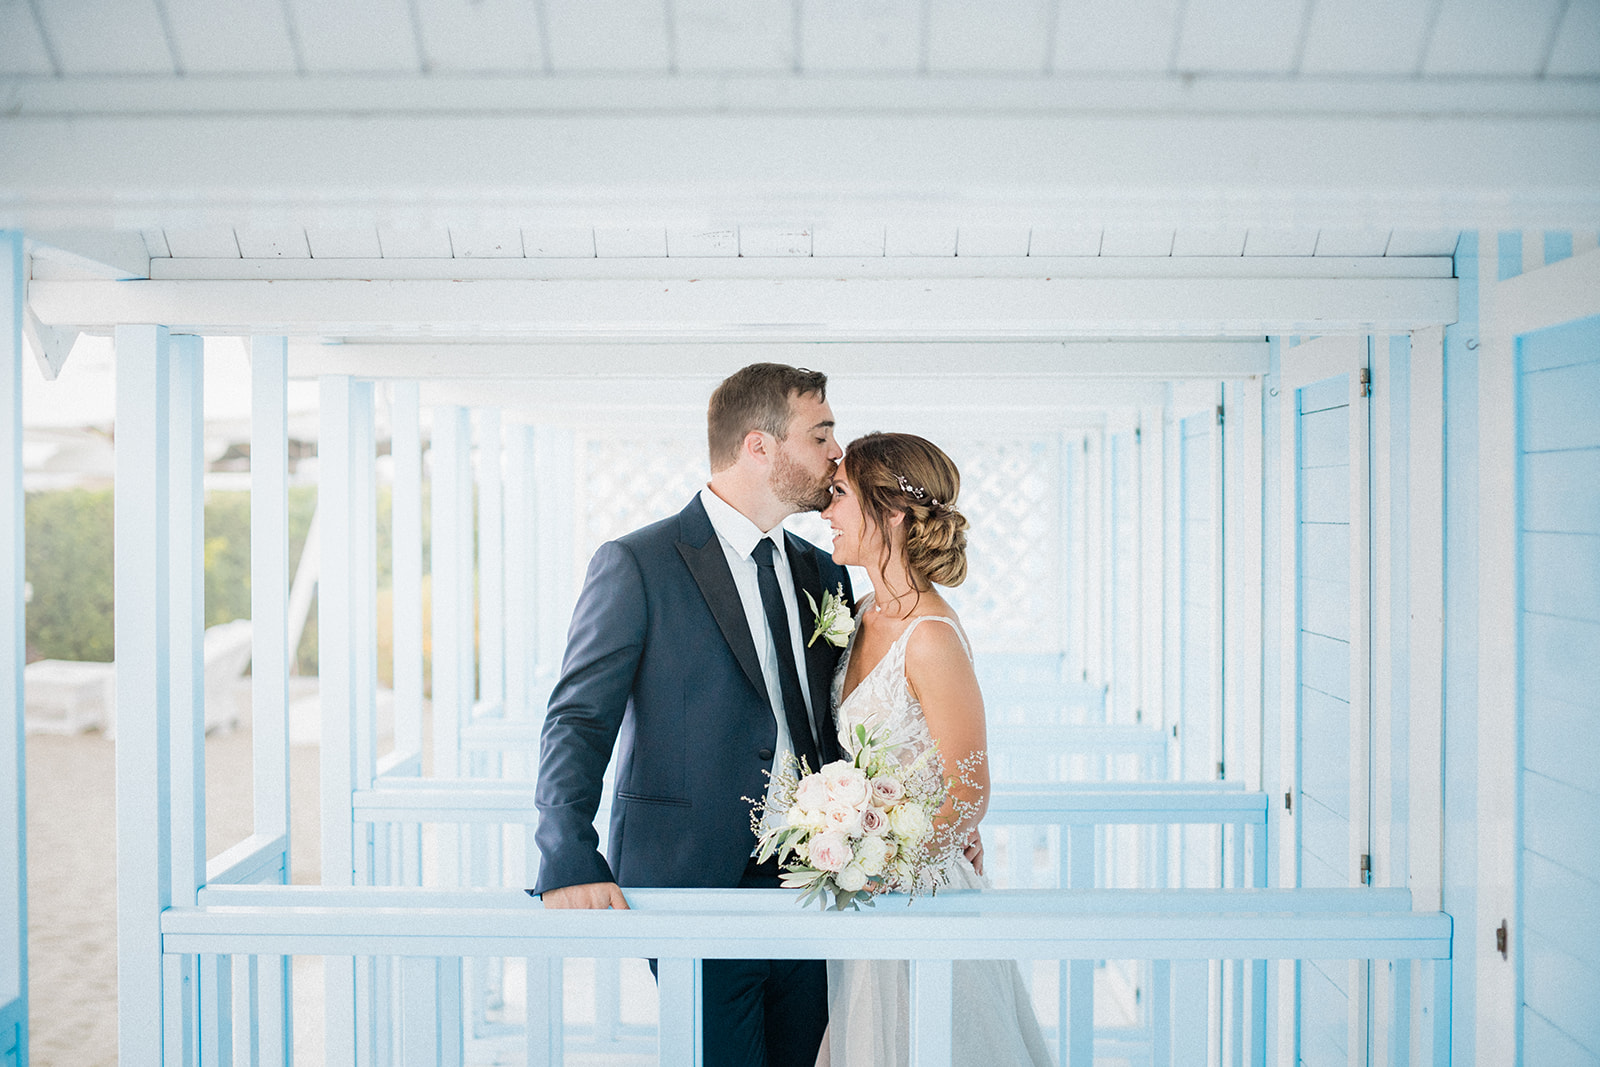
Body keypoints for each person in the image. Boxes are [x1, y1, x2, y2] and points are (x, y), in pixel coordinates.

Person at [532, 363, 855, 1067]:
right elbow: (578, 718)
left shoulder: (822, 571)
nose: (838, 452)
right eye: (822, 433)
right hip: (692, 876)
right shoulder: (637, 563)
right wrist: (565, 850)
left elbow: (835, 721)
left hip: (815, 881)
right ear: (758, 446)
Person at [816, 431, 1052, 1067]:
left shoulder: (930, 638)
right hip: (861, 885)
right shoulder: (862, 610)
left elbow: (970, 788)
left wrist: (891, 868)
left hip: (915, 888)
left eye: (839, 495)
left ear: (890, 512)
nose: (825, 510)